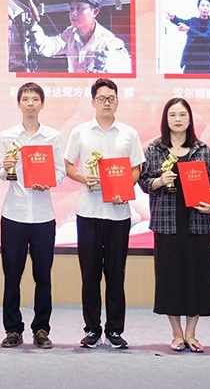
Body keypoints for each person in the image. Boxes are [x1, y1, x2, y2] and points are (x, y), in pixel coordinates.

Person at [64, 78, 143, 349]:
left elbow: (136, 169)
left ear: (117, 101)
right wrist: (82, 177)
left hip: (119, 214)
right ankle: (92, 328)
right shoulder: (80, 132)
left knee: (115, 274)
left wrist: (123, 187)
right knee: (90, 274)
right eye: (101, 98)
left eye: (111, 98)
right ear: (93, 102)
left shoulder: (129, 134)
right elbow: (67, 164)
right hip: (88, 213)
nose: (106, 102)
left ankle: (114, 330)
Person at [139, 97, 210, 353]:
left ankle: (192, 334)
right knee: (170, 278)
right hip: (167, 223)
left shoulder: (202, 149)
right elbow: (143, 182)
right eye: (172, 114)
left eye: (182, 114)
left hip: (197, 222)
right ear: (165, 119)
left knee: (197, 277)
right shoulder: (154, 149)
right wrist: (160, 181)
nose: (177, 119)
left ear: (189, 119)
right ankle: (176, 334)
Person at [0, 83, 65, 350]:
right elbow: (3, 174)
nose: (30, 103)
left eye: (35, 99)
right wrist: (6, 167)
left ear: (42, 104)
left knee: (43, 276)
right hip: (14, 213)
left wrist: (48, 181)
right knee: (12, 276)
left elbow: (60, 172)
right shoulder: (7, 135)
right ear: (18, 103)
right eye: (25, 99)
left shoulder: (52, 136)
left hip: (43, 216)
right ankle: (13, 329)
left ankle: (41, 329)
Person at [29, 0, 132, 74]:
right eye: (71, 8)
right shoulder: (70, 34)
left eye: (79, 8)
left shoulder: (108, 41)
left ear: (95, 12)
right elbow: (49, 47)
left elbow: (125, 67)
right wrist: (34, 29)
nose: (73, 13)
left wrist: (110, 64)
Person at [167, 0, 210, 74]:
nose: (205, 8)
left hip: (203, 64)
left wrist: (188, 29)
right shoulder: (193, 21)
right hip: (189, 62)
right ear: (198, 8)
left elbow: (204, 37)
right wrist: (173, 18)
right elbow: (182, 22)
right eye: (202, 5)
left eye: (207, 6)